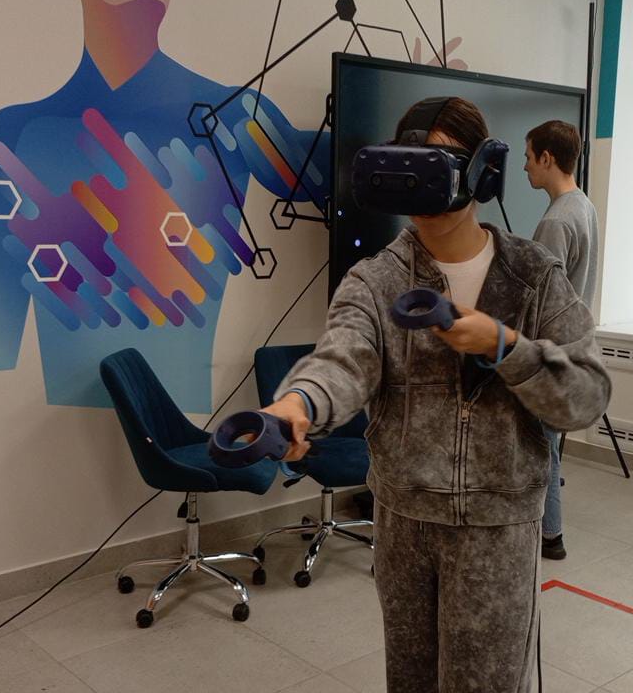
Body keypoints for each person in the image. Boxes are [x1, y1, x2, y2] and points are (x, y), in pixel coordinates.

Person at [261, 98, 611, 693]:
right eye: (410, 161)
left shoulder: (533, 277)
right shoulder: (375, 280)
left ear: (482, 171)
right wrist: (298, 405)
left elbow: (586, 396)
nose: (420, 181)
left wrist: (507, 346)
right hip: (405, 524)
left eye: (439, 162)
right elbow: (343, 359)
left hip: (499, 529)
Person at [0, 0, 327, 408]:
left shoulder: (233, 114)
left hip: (190, 414)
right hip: (76, 414)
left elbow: (320, 176)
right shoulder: (17, 134)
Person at [523, 120, 601, 561]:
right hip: (574, 347)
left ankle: (549, 534)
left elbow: (540, 299)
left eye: (528, 157)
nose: (524, 167)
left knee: (541, 448)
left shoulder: (555, 222)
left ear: (547, 158)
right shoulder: (584, 206)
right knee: (548, 445)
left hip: (551, 352)